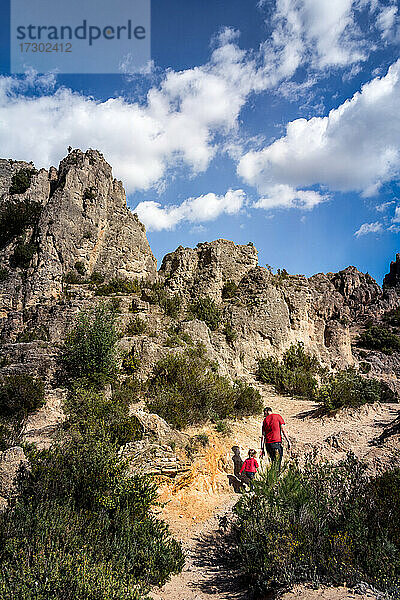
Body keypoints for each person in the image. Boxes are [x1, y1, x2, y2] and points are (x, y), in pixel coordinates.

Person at [261, 407, 290, 471]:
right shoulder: (278, 416)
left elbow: (263, 435)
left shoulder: (264, 421)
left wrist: (262, 448)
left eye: (264, 413)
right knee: (278, 462)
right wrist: (288, 441)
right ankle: (276, 478)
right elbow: (283, 430)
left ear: (267, 411)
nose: (264, 415)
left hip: (268, 444)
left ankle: (272, 478)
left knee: (273, 461)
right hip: (276, 442)